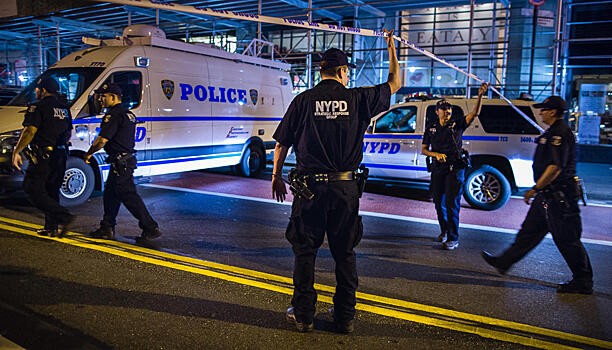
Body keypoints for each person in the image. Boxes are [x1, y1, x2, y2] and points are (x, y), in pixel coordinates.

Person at [271, 29, 400, 334]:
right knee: (345, 253)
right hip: (345, 190)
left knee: (305, 252)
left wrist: (276, 176)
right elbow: (395, 82)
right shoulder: (358, 99)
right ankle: (344, 317)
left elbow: (281, 144)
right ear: (343, 71)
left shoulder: (303, 101)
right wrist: (391, 46)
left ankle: (303, 315)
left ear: (321, 71)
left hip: (310, 190)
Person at [482, 96, 593, 294]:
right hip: (547, 194)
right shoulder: (550, 132)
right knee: (529, 232)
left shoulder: (560, 133)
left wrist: (534, 189)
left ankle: (583, 280)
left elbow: (555, 167)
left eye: (544, 109)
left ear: (553, 112)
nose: (541, 112)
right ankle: (504, 261)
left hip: (559, 197)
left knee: (567, 239)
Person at [83, 83, 161, 242]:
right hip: (122, 161)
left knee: (129, 196)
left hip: (121, 162)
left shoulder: (113, 115)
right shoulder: (127, 113)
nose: (100, 99)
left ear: (113, 97)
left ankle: (150, 227)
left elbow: (102, 140)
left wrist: (89, 153)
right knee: (111, 195)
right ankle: (107, 227)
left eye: (103, 96)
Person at [421, 83, 489, 250]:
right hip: (438, 169)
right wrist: (435, 155)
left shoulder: (457, 125)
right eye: (443, 109)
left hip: (455, 169)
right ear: (437, 111)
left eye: (449, 109)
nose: (447, 111)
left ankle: (453, 238)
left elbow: (474, 114)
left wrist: (479, 95)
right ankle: (444, 230)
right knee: (438, 202)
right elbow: (424, 150)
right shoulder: (431, 127)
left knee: (452, 204)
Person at [11, 77, 74, 237]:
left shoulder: (37, 107)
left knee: (32, 189)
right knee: (51, 191)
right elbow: (68, 132)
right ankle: (51, 227)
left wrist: (17, 151)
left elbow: (30, 131)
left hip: (43, 156)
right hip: (60, 154)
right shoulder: (65, 108)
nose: (35, 92)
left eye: (37, 89)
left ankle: (63, 216)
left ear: (43, 90)